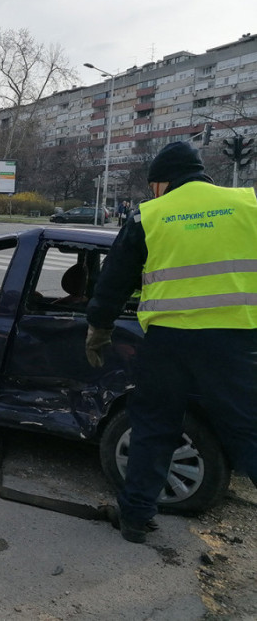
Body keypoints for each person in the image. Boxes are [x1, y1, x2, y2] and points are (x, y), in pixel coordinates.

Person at [85, 141, 257, 544]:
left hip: (168, 343)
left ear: (161, 182)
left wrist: (99, 327)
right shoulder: (249, 203)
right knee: (248, 429)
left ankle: (135, 518)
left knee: (153, 427)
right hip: (235, 340)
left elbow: (114, 280)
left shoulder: (149, 215)